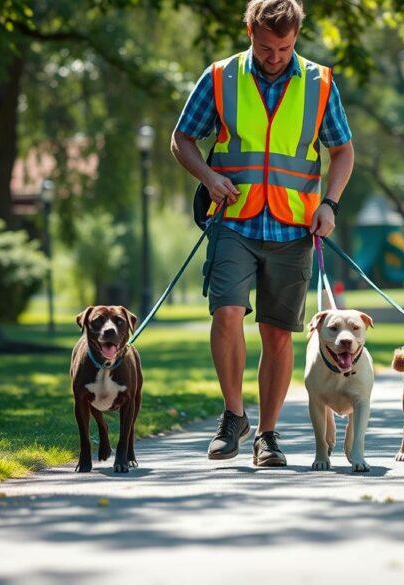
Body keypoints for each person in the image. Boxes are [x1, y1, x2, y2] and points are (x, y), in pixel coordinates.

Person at [170, 0, 355, 466]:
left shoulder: (319, 82)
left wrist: (329, 204)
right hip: (235, 219)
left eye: (285, 47)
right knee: (227, 312)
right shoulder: (220, 77)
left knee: (277, 334)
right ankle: (234, 417)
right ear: (249, 31)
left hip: (294, 226)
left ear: (297, 37)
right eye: (266, 47)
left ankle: (267, 436)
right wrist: (209, 179)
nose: (275, 56)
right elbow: (182, 139)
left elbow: (343, 151)